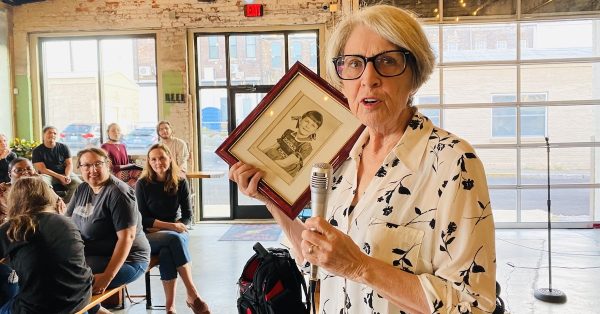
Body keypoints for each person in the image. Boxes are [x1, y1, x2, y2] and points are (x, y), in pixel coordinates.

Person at [229, 5, 497, 314]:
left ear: (415, 75)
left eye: (387, 62)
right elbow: (313, 255)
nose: (368, 79)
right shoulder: (337, 158)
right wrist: (271, 197)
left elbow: (473, 304)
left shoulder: (453, 162)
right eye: (354, 63)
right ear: (341, 78)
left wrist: (359, 267)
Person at [66, 147, 150, 314]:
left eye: (98, 164)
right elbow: (66, 222)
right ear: (80, 168)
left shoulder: (118, 192)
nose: (93, 170)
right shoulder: (82, 189)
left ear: (108, 165)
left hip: (129, 261)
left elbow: (127, 238)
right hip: (93, 257)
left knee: (70, 283)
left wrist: (107, 277)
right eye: (86, 165)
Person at [135, 143, 210, 314]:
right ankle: (193, 294)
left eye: (162, 157)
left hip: (175, 232)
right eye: (153, 159)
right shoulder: (142, 184)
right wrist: (170, 226)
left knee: (167, 252)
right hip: (151, 235)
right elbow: (143, 219)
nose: (158, 162)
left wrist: (177, 226)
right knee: (173, 239)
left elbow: (188, 216)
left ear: (169, 158)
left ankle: (170, 307)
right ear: (148, 162)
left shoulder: (180, 182)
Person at [0, 177, 93, 313]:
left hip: (41, 308)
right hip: (81, 296)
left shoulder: (14, 226)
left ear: (14, 200)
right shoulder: (66, 222)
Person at [261, 110, 323, 177]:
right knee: (270, 151)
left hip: (283, 169)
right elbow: (273, 147)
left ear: (315, 130)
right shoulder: (288, 133)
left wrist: (265, 164)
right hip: (273, 159)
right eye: (306, 121)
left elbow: (284, 163)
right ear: (300, 120)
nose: (308, 126)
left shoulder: (306, 147)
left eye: (313, 125)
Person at [32, 126, 81, 202]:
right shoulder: (37, 151)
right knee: (43, 184)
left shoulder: (64, 147)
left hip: (64, 173)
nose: (52, 135)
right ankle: (53, 204)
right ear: (43, 135)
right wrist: (59, 177)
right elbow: (42, 169)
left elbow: (69, 164)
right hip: (47, 175)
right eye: (49, 132)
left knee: (79, 184)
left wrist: (67, 175)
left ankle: (66, 203)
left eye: (55, 133)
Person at [101, 123, 141, 187]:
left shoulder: (123, 146)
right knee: (137, 175)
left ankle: (129, 190)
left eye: (118, 130)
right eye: (113, 130)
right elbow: (109, 167)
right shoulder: (105, 146)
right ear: (108, 132)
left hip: (126, 172)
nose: (116, 132)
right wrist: (123, 167)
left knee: (143, 173)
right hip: (113, 174)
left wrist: (130, 166)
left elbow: (127, 163)